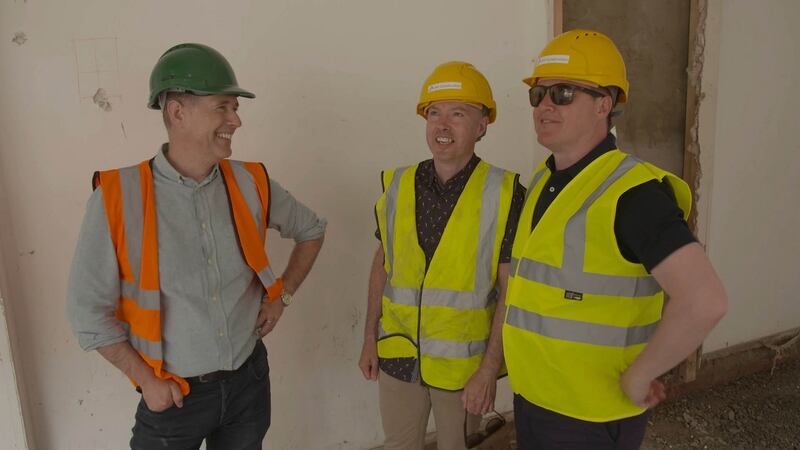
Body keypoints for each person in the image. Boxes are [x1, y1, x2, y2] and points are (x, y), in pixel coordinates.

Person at [66, 43, 326, 450]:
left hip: (248, 383)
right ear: (177, 112)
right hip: (172, 396)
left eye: (235, 108)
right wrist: (145, 379)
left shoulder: (251, 182)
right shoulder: (117, 197)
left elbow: (311, 230)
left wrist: (284, 295)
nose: (236, 120)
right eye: (223, 107)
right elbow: (86, 312)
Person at [502, 29, 728, 449]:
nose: (545, 105)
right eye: (538, 94)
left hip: (589, 419)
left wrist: (642, 374)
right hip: (536, 400)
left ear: (604, 104)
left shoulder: (633, 194)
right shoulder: (545, 181)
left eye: (563, 93)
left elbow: (704, 300)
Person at [358, 61, 525, 450]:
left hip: (463, 370)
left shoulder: (505, 192)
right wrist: (369, 337)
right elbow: (383, 265)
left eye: (458, 114)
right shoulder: (397, 184)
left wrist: (489, 369)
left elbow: (511, 288)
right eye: (434, 113)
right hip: (398, 354)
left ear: (482, 125)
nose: (442, 125)